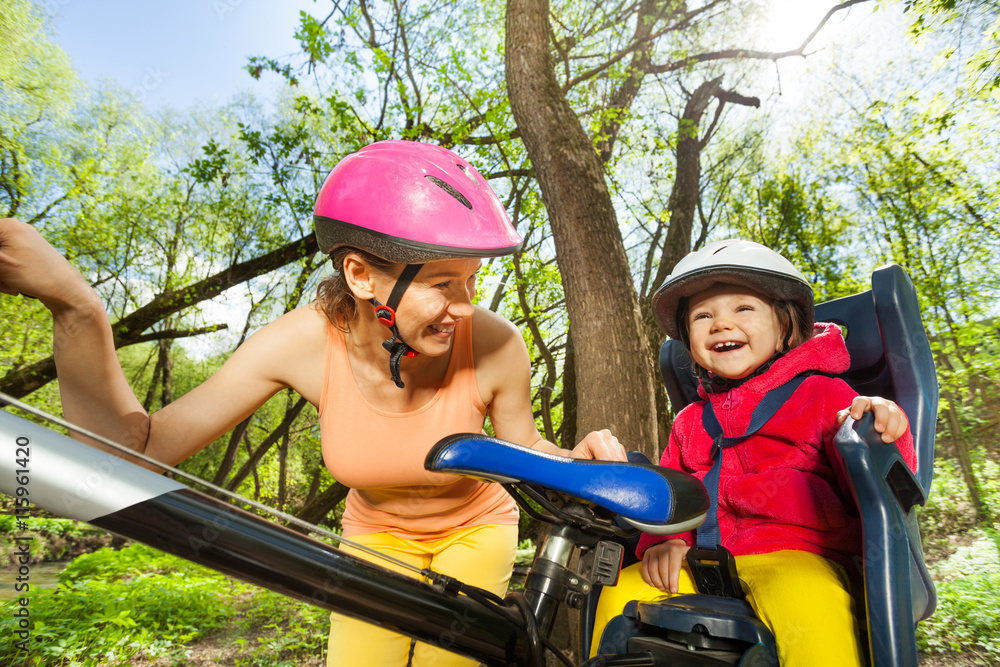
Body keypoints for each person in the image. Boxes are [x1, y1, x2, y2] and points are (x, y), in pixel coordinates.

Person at [0, 139, 627, 667]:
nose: (464, 307)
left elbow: (523, 451)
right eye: (442, 284)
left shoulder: (494, 343)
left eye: (470, 282)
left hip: (475, 528)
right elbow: (134, 451)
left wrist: (578, 460)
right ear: (360, 275)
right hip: (375, 535)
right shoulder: (299, 344)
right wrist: (78, 310)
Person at [590, 239, 917, 667]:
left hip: (799, 555)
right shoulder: (690, 421)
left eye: (743, 309)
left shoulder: (823, 395)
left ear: (784, 329)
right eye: (703, 316)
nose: (721, 324)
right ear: (689, 341)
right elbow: (670, 493)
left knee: (810, 606)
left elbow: (885, 481)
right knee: (618, 591)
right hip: (701, 560)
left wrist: (880, 422)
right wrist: (664, 542)